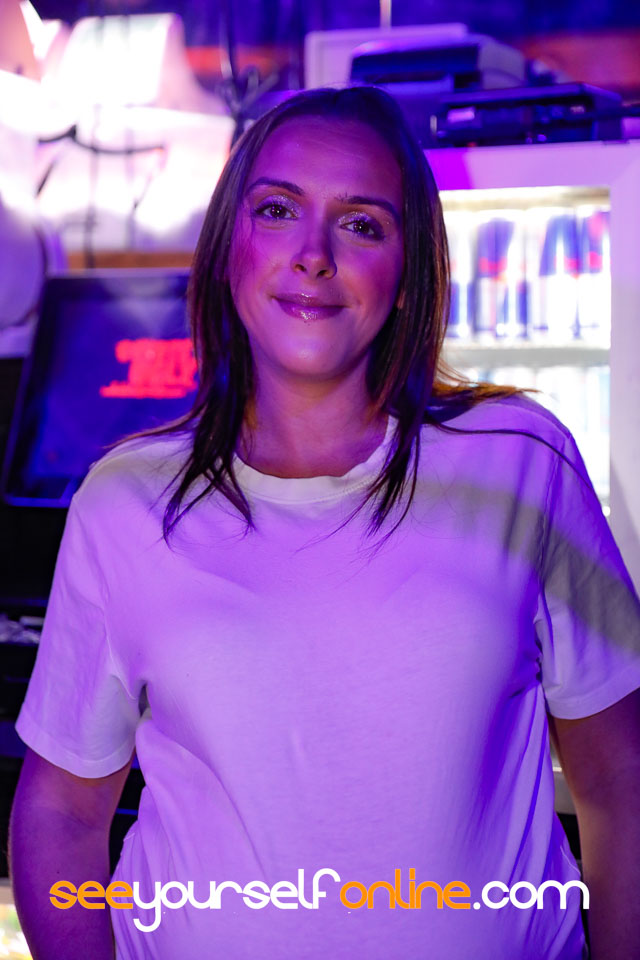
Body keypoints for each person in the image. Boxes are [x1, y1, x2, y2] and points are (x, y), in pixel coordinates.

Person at [8, 85, 640, 960]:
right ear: (228, 247)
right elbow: (61, 808)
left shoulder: (524, 461)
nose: (313, 256)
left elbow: (621, 776)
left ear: (409, 273)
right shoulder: (124, 502)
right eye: (278, 211)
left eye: (361, 224)